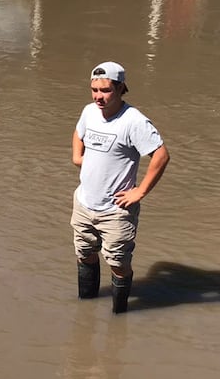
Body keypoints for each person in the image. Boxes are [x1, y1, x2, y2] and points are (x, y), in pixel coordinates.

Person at [71, 61, 171, 313]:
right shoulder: (89, 111)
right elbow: (78, 133)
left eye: (105, 90)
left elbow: (161, 155)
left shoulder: (133, 121)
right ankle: (87, 309)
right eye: (94, 90)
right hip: (84, 203)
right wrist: (77, 157)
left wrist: (140, 192)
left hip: (115, 211)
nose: (98, 97)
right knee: (85, 255)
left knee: (118, 264)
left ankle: (119, 316)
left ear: (120, 88)